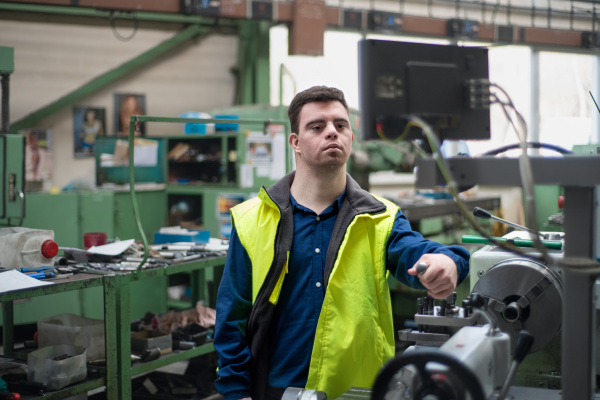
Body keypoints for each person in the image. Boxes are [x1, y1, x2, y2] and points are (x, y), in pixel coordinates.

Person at [213, 86, 470, 400]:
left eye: (340, 125)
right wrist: (235, 392)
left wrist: (448, 262)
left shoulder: (381, 218)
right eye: (317, 127)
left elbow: (416, 251)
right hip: (275, 389)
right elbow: (232, 317)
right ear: (295, 142)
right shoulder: (252, 219)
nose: (332, 133)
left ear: (351, 136)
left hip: (356, 391)